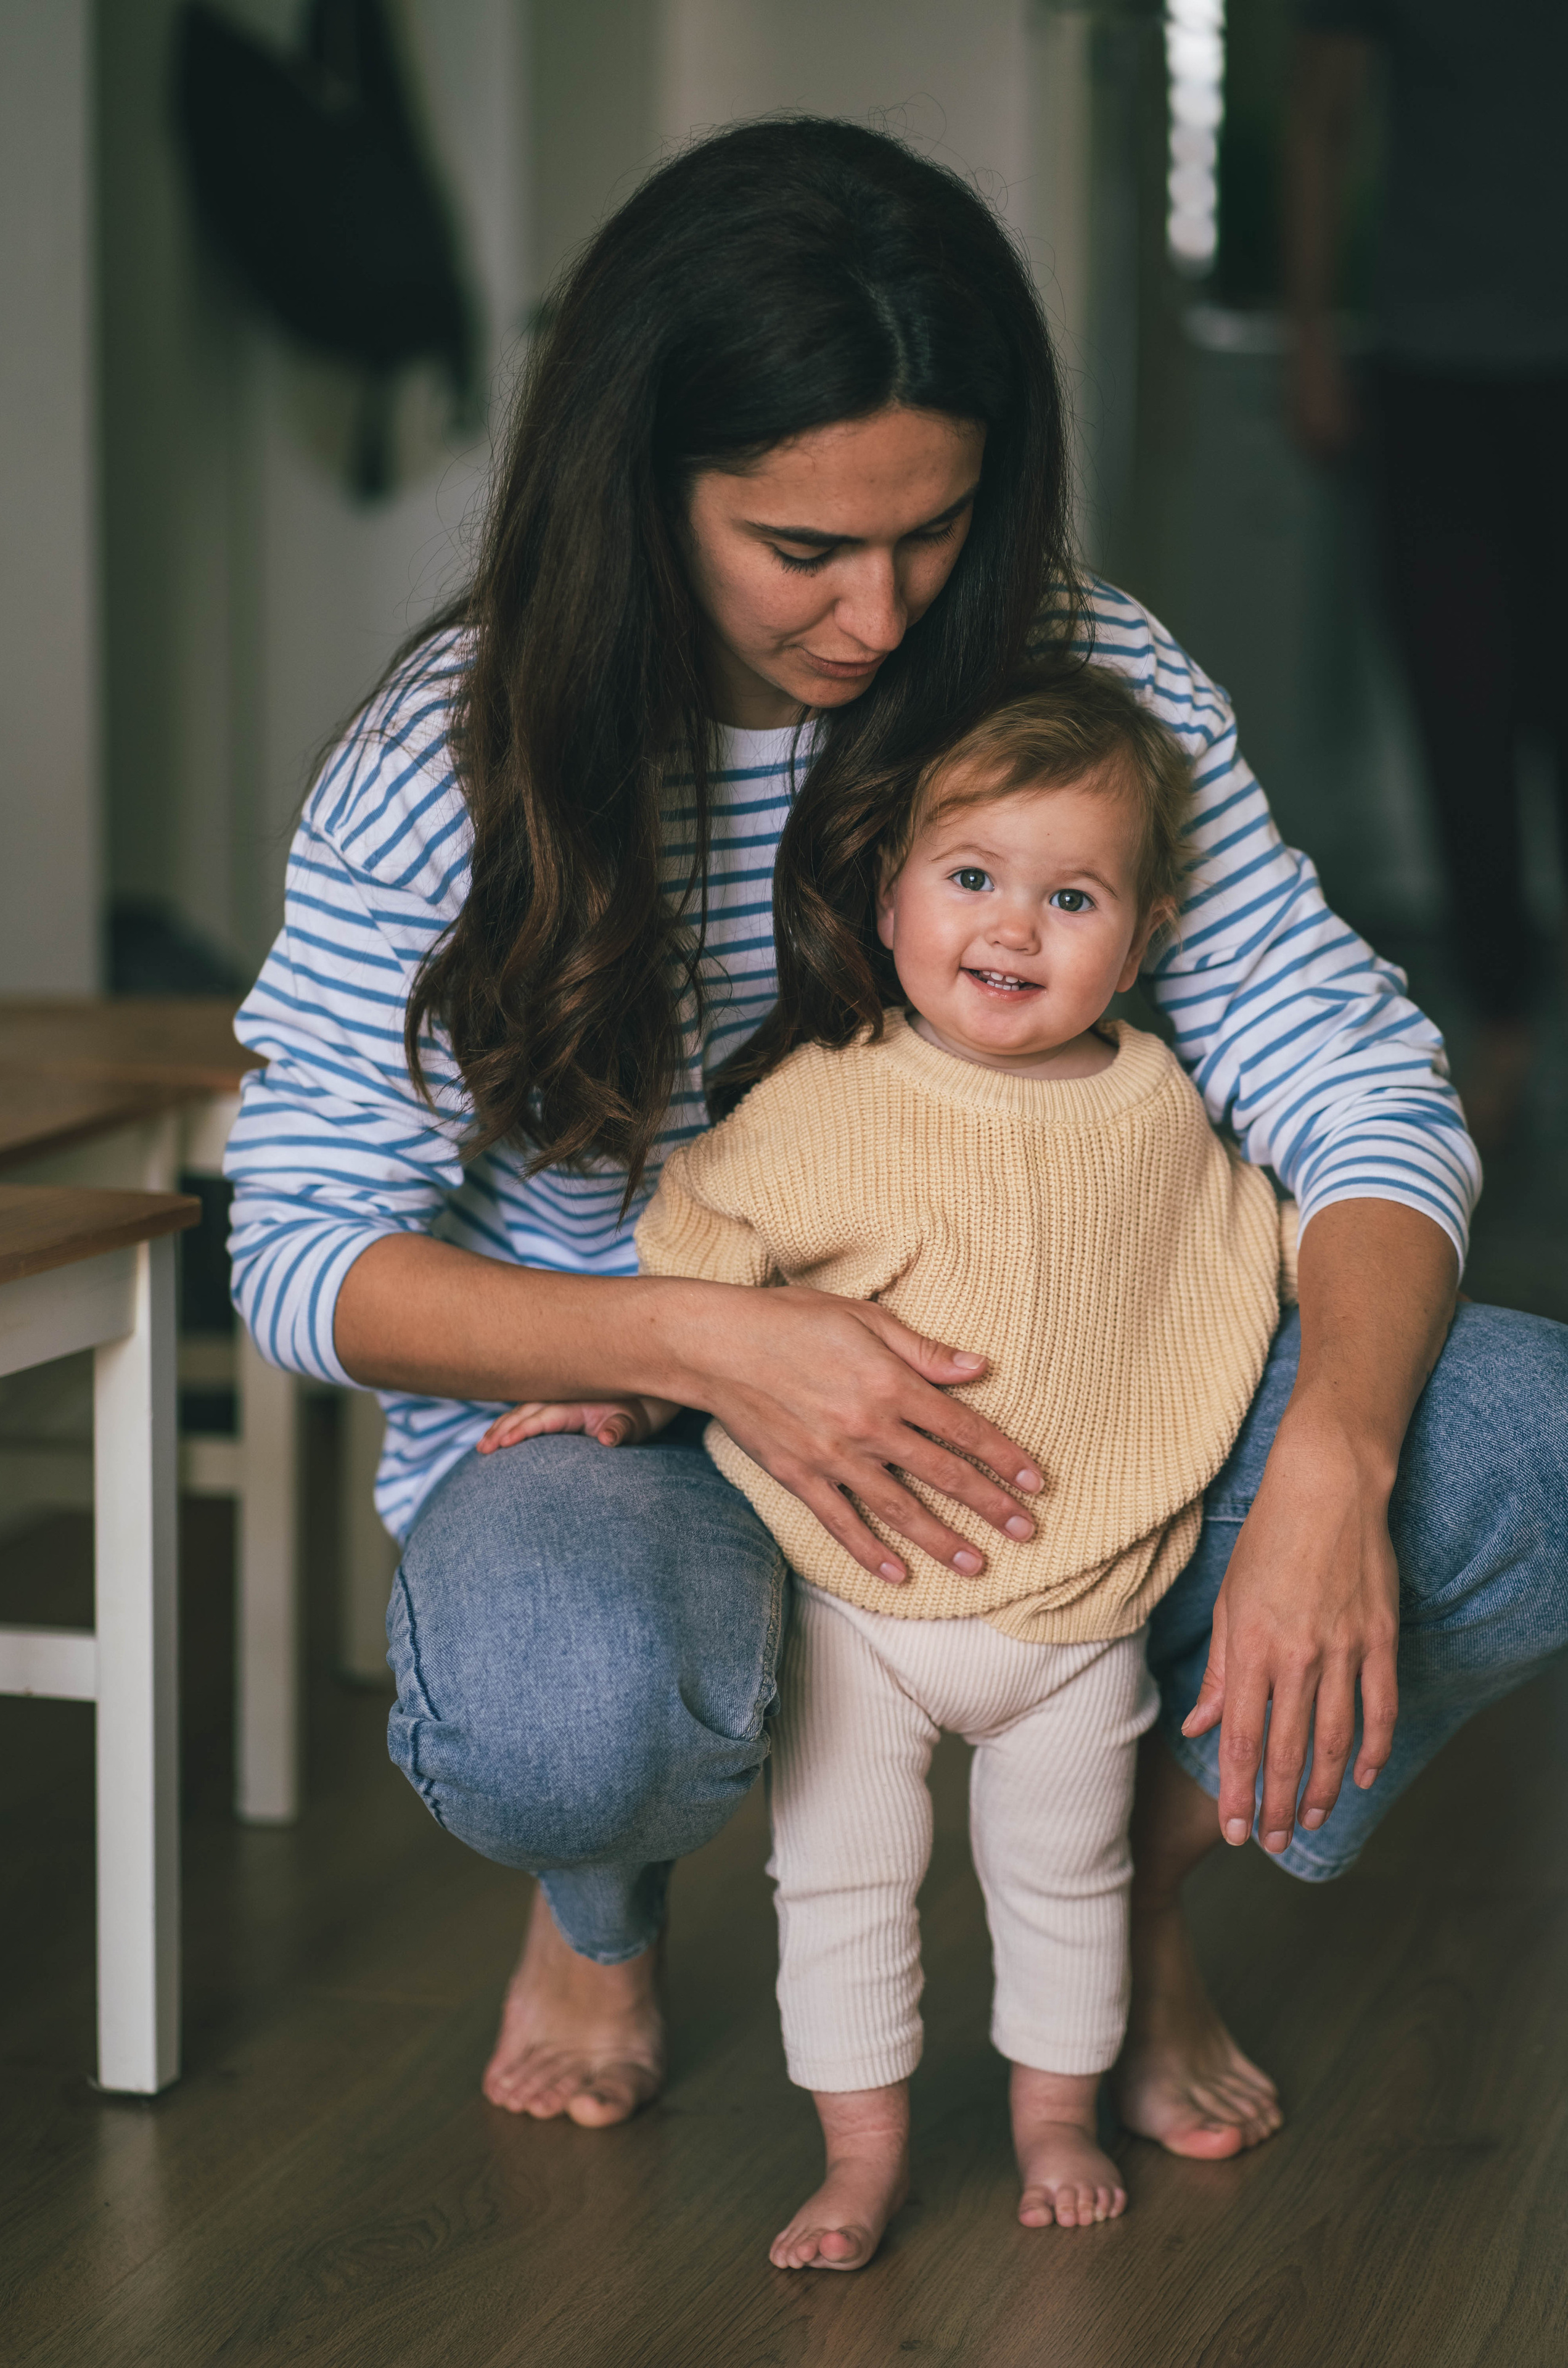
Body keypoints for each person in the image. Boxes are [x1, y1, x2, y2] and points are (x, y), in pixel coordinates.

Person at [224, 118, 1567, 2157]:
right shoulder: (456, 758)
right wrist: (695, 1346)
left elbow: (1355, 1078)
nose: (877, 618)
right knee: (570, 1711)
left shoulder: (1082, 676)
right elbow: (305, 1254)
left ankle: (1114, 1888)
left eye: (931, 532)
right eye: (803, 550)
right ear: (638, 490)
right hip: (643, 1430)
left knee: (1525, 1439)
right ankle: (599, 1909)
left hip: (1100, 1402)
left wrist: (1339, 1456)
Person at [479, 666, 1296, 2265]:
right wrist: (627, 1397)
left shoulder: (1166, 1114)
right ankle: (860, 2158)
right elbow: (706, 1287)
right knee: (841, 1888)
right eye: (973, 877)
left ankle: (1055, 2112)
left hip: (1081, 1615)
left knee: (1070, 1877)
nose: (1014, 927)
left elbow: (1249, 1271)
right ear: (892, 892)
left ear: (1145, 930)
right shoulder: (830, 1095)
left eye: (1073, 896)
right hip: (862, 1603)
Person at [1285, 0, 1568, 1146]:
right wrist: (1310, 337)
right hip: (1431, 372)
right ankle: (1502, 1026)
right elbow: (1320, 116)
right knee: (1463, 708)